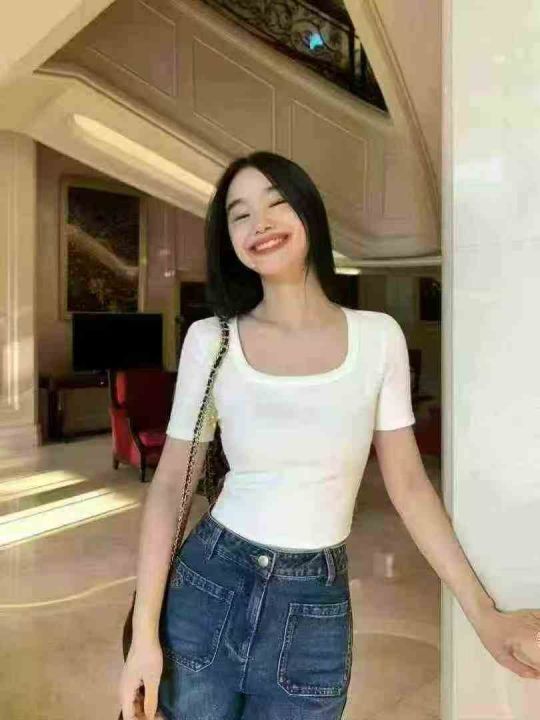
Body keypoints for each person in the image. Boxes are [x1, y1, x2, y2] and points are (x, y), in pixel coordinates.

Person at [119, 152, 540, 720]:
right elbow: (171, 485)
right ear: (229, 239)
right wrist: (145, 635)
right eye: (239, 214)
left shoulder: (378, 338)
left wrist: (482, 612)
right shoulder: (211, 339)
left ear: (308, 212)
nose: (260, 223)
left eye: (275, 202)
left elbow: (410, 486)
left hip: (314, 605)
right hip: (209, 586)